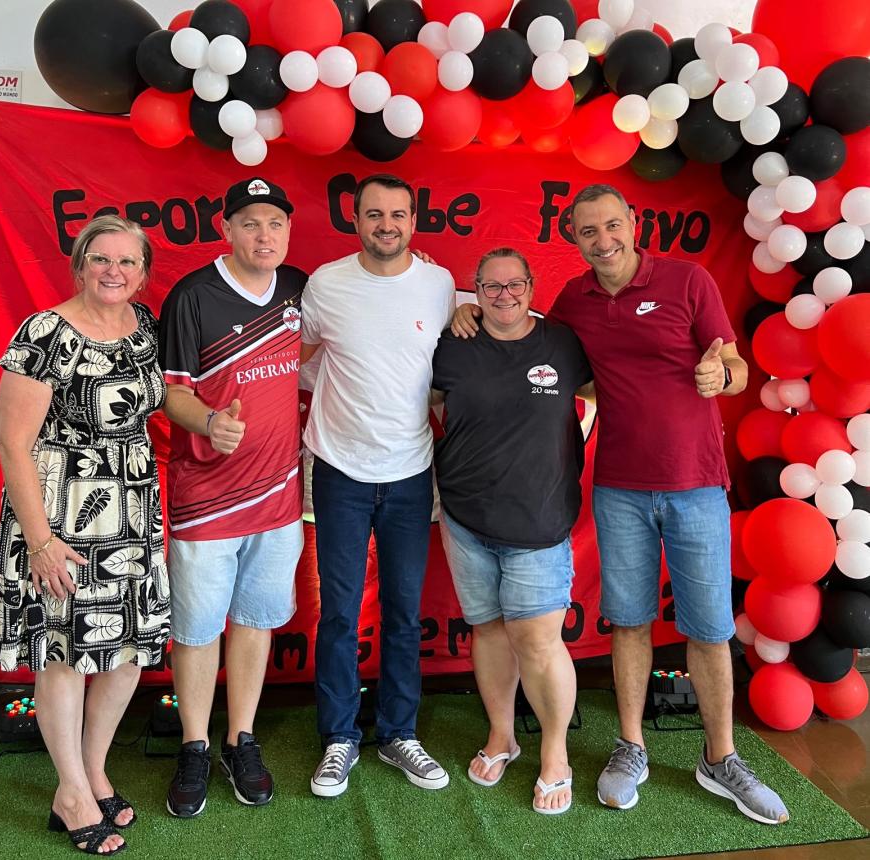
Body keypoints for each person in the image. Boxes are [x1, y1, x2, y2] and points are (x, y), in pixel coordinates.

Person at [452, 184, 789, 825]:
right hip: (618, 489)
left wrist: (724, 375)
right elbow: (525, 341)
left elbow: (736, 365)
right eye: (587, 231)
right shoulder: (572, 301)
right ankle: (630, 746)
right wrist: (464, 314)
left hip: (695, 486)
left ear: (633, 224)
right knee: (630, 622)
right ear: (572, 239)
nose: (603, 240)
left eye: (612, 225)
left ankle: (720, 759)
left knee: (711, 629)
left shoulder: (689, 281)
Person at [0, 215, 170, 854]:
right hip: (60, 520)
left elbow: (160, 401)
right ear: (81, 264)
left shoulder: (144, 328)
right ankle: (68, 792)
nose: (114, 271)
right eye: (101, 259)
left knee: (123, 655)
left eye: (127, 261)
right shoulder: (45, 333)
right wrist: (39, 541)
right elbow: (12, 441)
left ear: (142, 272)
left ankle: (92, 772)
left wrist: (211, 422)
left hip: (133, 516)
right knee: (62, 655)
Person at [300, 174, 455, 797]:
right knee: (337, 612)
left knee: (402, 612)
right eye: (373, 214)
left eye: (396, 214)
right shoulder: (326, 283)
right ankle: (339, 738)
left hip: (412, 473)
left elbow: (454, 350)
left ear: (413, 220)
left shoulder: (440, 284)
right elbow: (303, 356)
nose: (385, 224)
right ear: (355, 219)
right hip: (339, 470)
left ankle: (398, 733)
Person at [158, 177, 306, 818]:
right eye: (250, 223)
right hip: (206, 500)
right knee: (196, 629)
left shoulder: (302, 289)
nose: (263, 235)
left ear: (287, 232)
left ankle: (239, 738)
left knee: (254, 621)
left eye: (274, 223)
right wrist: (208, 423)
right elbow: (172, 391)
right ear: (227, 229)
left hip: (279, 495)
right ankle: (193, 744)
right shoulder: (193, 295)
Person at [431, 248, 592, 815]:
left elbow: (604, 392)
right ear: (474, 292)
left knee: (540, 642)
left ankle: (555, 754)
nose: (503, 295)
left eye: (513, 284)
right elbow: (429, 402)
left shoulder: (563, 344)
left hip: (540, 521)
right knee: (490, 631)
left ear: (531, 286)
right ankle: (502, 735)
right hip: (466, 516)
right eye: (490, 287)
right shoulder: (455, 343)